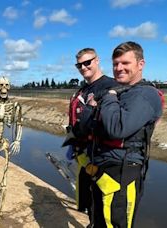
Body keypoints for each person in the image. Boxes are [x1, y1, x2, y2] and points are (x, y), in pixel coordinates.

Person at [89, 41, 162, 228]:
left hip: (122, 173)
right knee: (99, 221)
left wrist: (110, 96)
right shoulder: (124, 92)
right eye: (115, 64)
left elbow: (117, 128)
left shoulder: (145, 94)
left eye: (125, 63)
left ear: (140, 64)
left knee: (115, 223)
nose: (118, 68)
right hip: (104, 169)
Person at [63, 48, 118, 220]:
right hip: (83, 155)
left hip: (102, 156)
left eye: (87, 62)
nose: (83, 67)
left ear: (97, 60)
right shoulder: (81, 91)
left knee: (105, 206)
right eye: (79, 65)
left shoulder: (111, 86)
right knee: (88, 202)